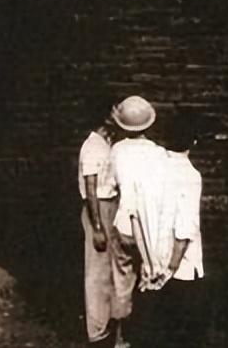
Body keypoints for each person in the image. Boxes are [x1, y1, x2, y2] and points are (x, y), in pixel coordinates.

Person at [126, 115, 206, 348]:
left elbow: (134, 217)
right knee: (180, 335)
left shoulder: (145, 171)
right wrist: (169, 269)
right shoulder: (190, 176)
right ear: (194, 141)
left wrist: (148, 262)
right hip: (180, 270)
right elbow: (184, 230)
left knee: (151, 335)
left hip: (150, 266)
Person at [109, 96, 164, 343]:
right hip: (149, 225)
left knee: (122, 280)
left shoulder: (116, 150)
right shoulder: (158, 154)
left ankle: (121, 338)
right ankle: (146, 334)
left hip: (123, 223)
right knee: (150, 276)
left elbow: (110, 186)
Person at [78, 104, 125, 347]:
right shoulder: (93, 146)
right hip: (99, 207)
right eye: (115, 110)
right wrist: (97, 226)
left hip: (111, 206)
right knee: (97, 271)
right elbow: (91, 188)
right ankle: (96, 331)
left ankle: (109, 324)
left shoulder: (108, 143)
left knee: (111, 269)